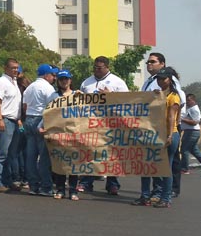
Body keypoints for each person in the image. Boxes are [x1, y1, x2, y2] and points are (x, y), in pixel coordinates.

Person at [132, 67, 181, 208]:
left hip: (168, 134)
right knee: (146, 166)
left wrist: (170, 134)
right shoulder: (158, 94)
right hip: (153, 133)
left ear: (170, 79)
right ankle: (145, 196)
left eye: (163, 78)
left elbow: (172, 117)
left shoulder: (173, 97)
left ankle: (166, 198)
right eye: (159, 78)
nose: (160, 81)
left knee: (166, 168)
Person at [79, 56, 128, 195]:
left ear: (107, 67)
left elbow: (127, 101)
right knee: (90, 152)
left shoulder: (117, 82)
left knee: (112, 155)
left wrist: (111, 95)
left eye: (99, 68)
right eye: (94, 67)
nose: (96, 70)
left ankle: (112, 184)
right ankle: (86, 182)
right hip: (91, 123)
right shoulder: (86, 83)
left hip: (111, 123)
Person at [141, 52, 186, 197]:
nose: (149, 64)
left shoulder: (172, 87)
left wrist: (174, 126)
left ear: (162, 64)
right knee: (153, 162)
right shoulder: (149, 81)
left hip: (168, 128)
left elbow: (178, 104)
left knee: (168, 163)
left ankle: (167, 192)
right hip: (152, 126)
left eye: (153, 62)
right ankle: (156, 191)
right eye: (148, 62)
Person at [22, 64, 58, 197]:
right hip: (41, 120)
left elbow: (25, 106)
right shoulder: (48, 88)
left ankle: (33, 185)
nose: (54, 78)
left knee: (30, 156)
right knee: (44, 157)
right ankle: (46, 187)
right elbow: (51, 107)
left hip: (29, 119)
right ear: (46, 75)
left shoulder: (30, 87)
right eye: (53, 75)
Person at [0, 58, 23, 192]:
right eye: (12, 68)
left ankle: (7, 180)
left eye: (17, 68)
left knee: (11, 154)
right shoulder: (1, 82)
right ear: (5, 68)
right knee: (1, 153)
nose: (15, 70)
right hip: (5, 120)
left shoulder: (13, 82)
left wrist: (19, 119)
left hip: (14, 121)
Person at [46, 70, 79, 201]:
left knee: (74, 163)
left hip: (73, 133)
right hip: (58, 134)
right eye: (61, 79)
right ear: (58, 81)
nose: (64, 81)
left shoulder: (77, 95)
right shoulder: (53, 96)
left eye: (66, 79)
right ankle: (60, 189)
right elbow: (47, 113)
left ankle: (73, 190)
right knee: (59, 163)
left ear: (70, 80)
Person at [180, 94, 201, 175]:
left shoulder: (194, 110)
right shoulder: (189, 108)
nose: (187, 102)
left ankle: (184, 169)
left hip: (192, 132)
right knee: (194, 150)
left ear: (193, 100)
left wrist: (181, 119)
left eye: (189, 100)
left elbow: (195, 122)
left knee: (184, 150)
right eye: (186, 100)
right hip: (189, 131)